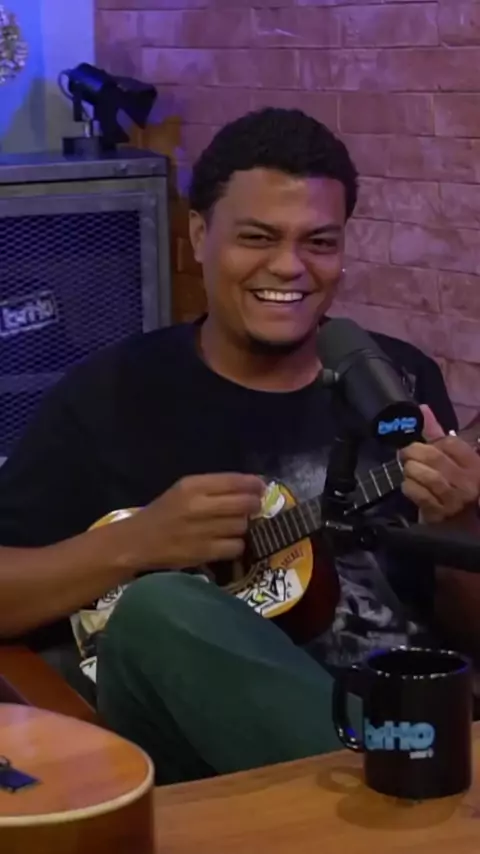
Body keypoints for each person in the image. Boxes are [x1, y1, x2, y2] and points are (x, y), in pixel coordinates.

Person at [0, 108, 479, 784]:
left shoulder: (395, 380)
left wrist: (457, 526)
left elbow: (468, 630)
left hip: (416, 721)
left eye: (320, 242)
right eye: (257, 237)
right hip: (224, 762)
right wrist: (134, 544)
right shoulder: (109, 395)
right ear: (199, 235)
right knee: (159, 607)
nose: (289, 266)